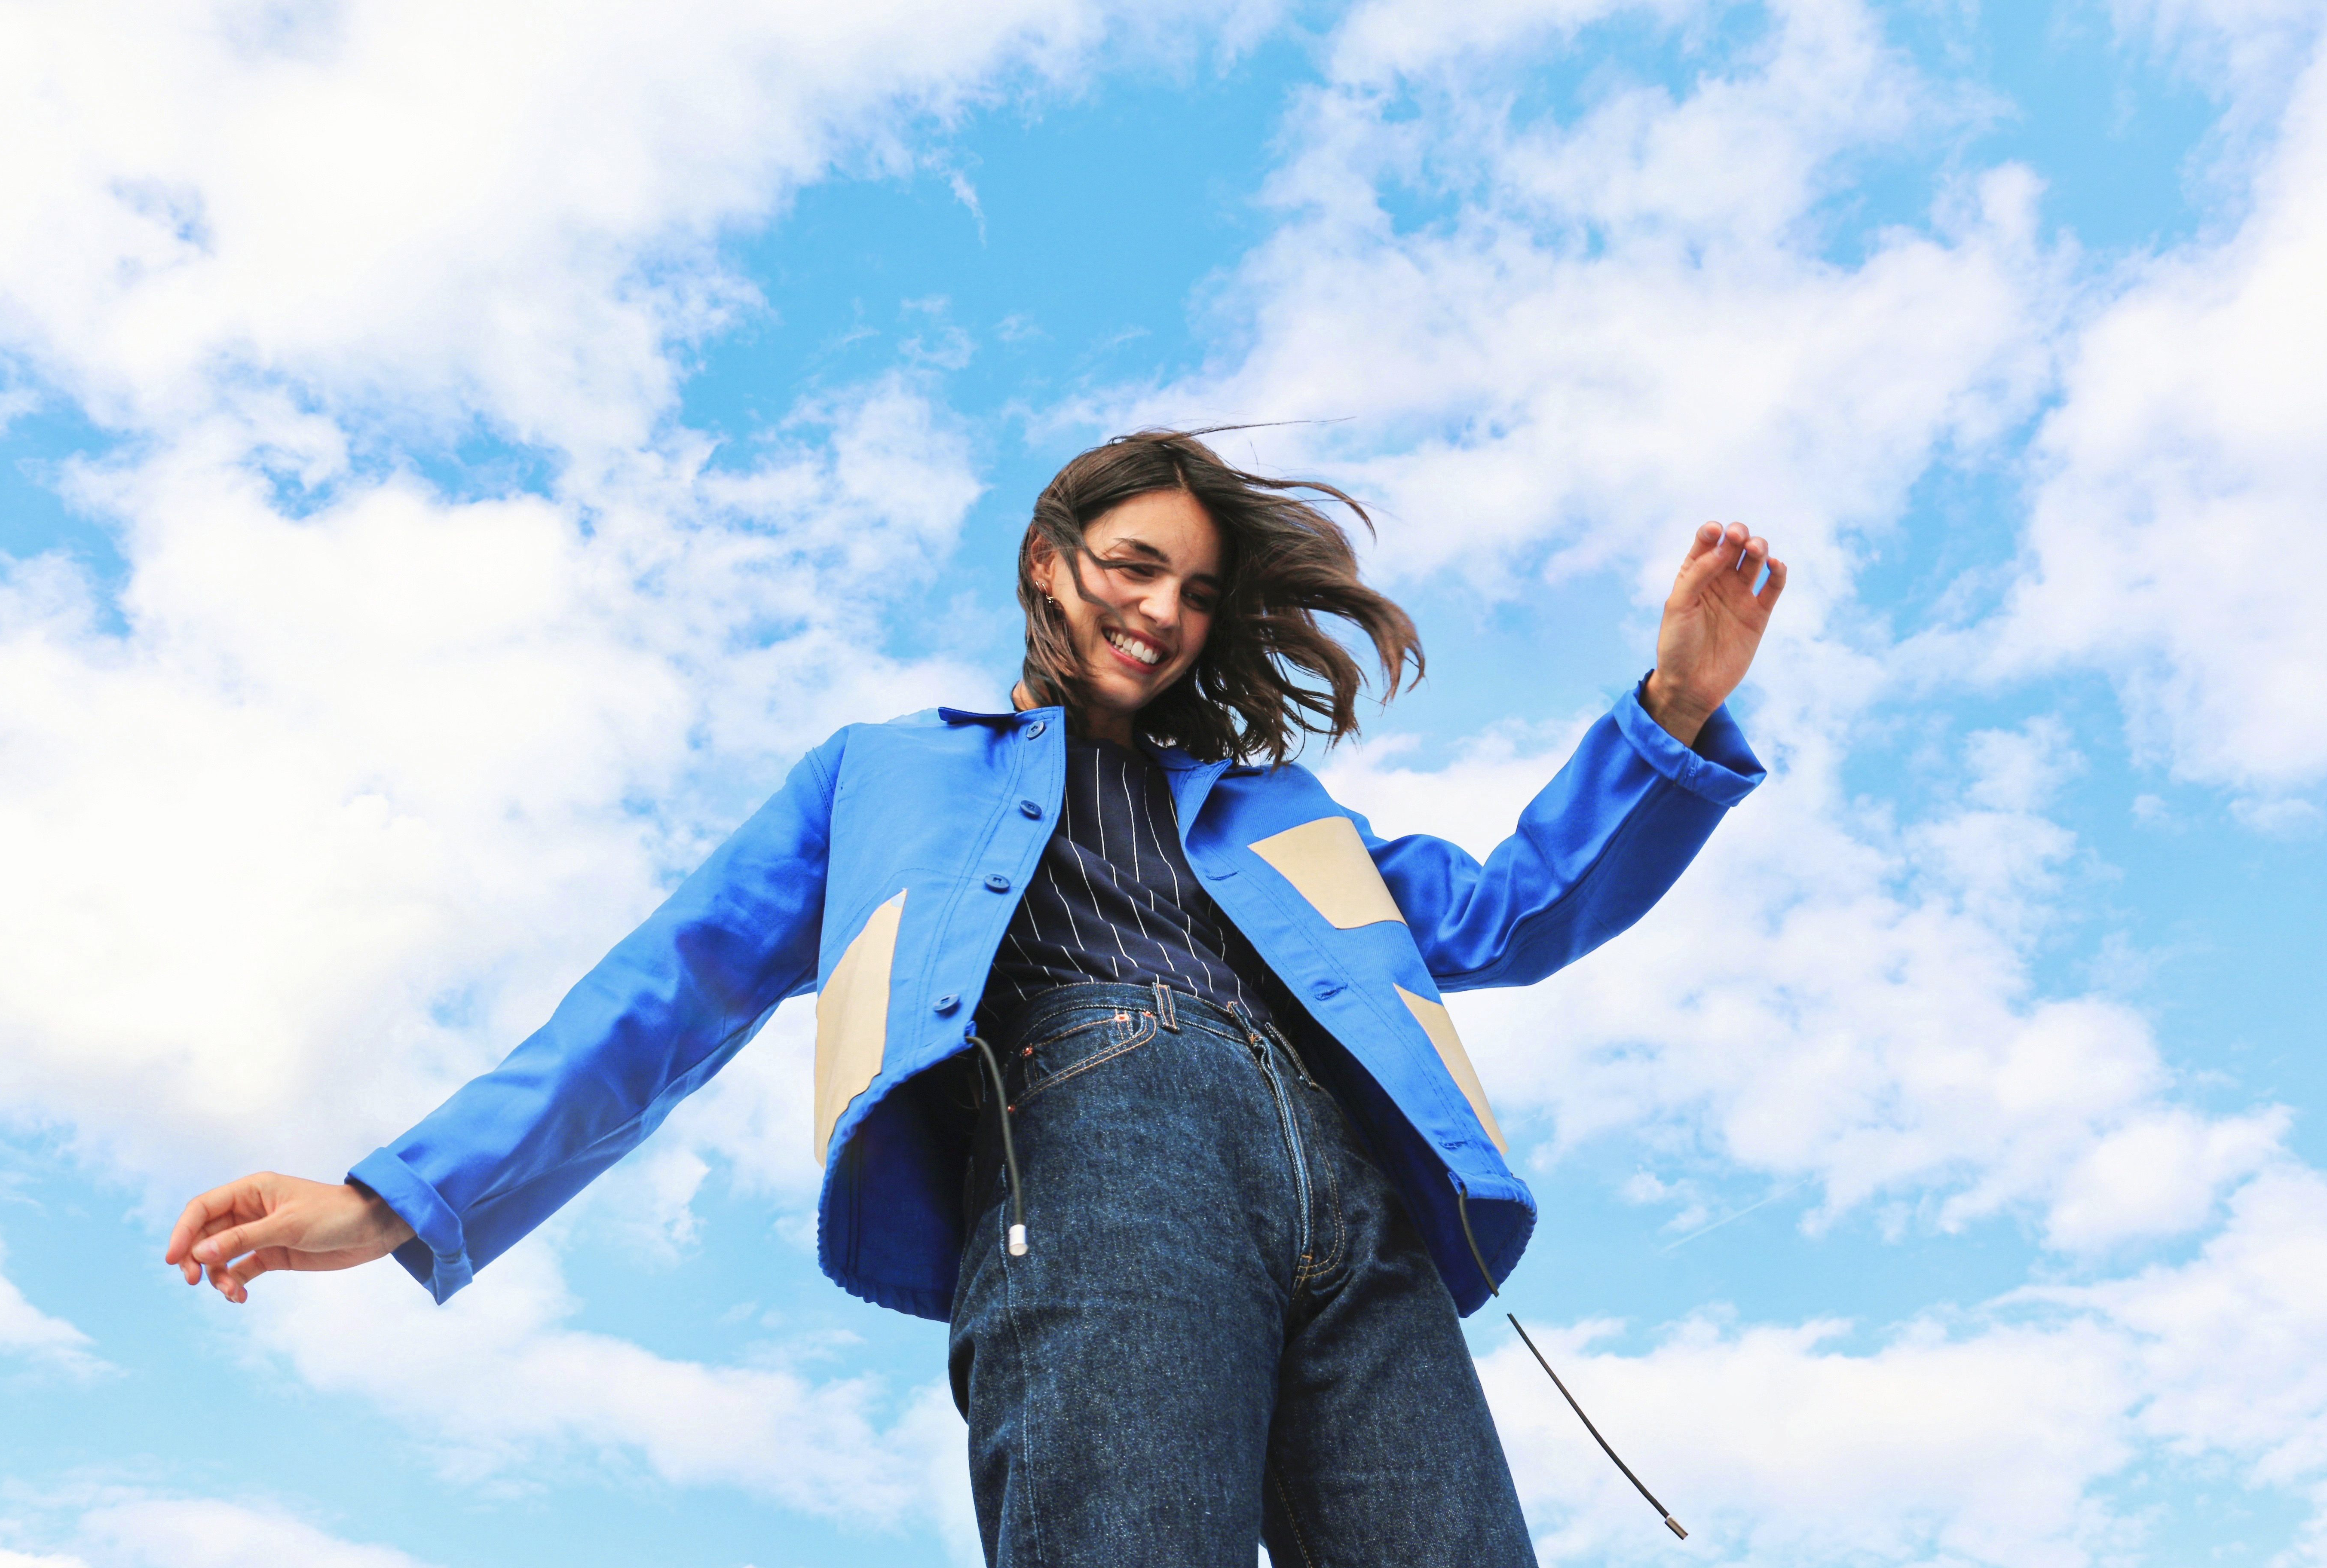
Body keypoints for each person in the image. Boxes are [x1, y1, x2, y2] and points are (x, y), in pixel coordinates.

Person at [165, 430, 1784, 1566]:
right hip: (1103, 1171)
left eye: (1195, 591)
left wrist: (1671, 708)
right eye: (1131, 567)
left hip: (1355, 1207)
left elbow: (1508, 912)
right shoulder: (882, 778)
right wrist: (395, 1198)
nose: (1159, 610)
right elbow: (668, 990)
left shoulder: (1280, 814)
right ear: (1047, 561)